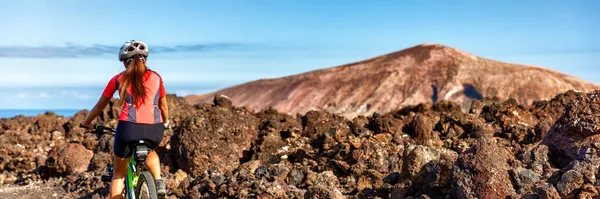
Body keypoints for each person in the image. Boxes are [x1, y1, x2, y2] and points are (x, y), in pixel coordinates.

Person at [80, 40, 169, 199]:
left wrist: (86, 123)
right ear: (145, 59)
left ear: (123, 62)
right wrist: (166, 122)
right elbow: (164, 106)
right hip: (155, 129)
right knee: (150, 151)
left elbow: (100, 106)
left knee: (119, 174)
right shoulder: (156, 77)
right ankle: (158, 180)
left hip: (128, 129)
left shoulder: (118, 79)